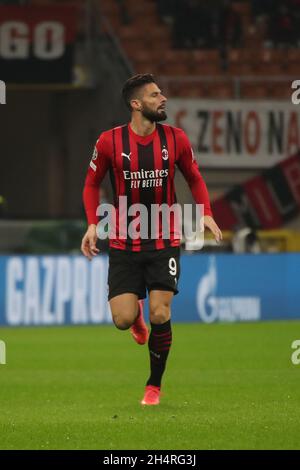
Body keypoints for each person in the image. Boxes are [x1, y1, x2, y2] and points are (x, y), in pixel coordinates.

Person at [81, 74, 222, 406]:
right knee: (122, 320)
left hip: (164, 237)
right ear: (136, 104)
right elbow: (91, 184)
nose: (163, 99)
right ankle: (136, 317)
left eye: (162, 93)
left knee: (162, 313)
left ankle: (153, 386)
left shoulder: (176, 139)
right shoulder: (109, 142)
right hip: (123, 239)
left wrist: (205, 212)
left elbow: (194, 177)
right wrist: (91, 224)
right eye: (155, 95)